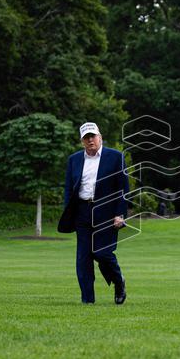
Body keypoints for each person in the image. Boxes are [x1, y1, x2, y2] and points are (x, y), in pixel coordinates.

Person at [57, 122, 130, 305]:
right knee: (83, 257)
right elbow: (69, 188)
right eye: (86, 137)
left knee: (102, 253)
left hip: (106, 212)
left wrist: (120, 214)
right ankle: (87, 299)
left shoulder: (115, 157)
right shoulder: (74, 159)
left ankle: (118, 281)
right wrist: (70, 211)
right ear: (82, 141)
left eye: (93, 136)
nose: (90, 140)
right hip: (82, 212)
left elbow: (123, 188)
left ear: (100, 137)